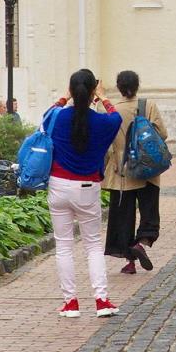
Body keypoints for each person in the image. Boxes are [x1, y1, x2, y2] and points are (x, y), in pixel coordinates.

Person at [44, 68, 123, 318]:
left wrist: (64, 97)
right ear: (92, 91)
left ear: (71, 90)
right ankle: (101, 300)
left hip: (58, 185)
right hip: (87, 188)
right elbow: (117, 117)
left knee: (64, 246)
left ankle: (70, 303)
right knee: (92, 246)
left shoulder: (56, 118)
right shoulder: (102, 122)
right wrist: (102, 97)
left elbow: (46, 115)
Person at [103, 69, 165, 275]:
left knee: (123, 217)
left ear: (118, 87)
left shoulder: (112, 110)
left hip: (120, 170)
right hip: (147, 170)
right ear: (137, 86)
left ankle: (130, 262)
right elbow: (162, 134)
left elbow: (106, 141)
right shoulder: (148, 105)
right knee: (149, 212)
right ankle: (142, 243)